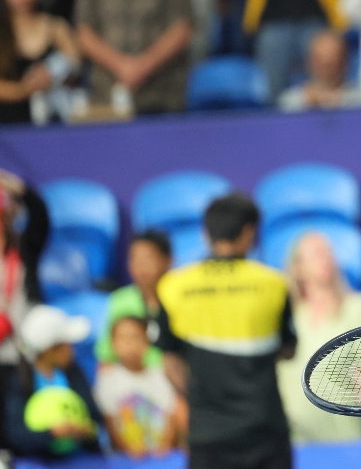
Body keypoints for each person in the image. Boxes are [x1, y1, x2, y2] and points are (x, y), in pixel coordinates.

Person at [156, 192, 296, 469]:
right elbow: (288, 350)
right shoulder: (274, 284)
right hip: (265, 432)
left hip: (207, 436)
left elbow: (170, 363)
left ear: (205, 234)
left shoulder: (174, 287)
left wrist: (200, 396)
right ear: (249, 232)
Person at [276, 232, 361, 445]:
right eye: (317, 254)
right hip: (292, 440)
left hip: (342, 439)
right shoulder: (288, 315)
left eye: (328, 253)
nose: (327, 259)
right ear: (298, 268)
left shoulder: (357, 309)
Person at [0, 167, 50, 449]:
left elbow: (40, 215)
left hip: (21, 349)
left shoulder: (24, 248)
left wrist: (10, 183)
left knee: (17, 422)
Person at [5, 305, 103, 458]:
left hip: (78, 460)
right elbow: (16, 435)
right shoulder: (21, 380)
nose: (72, 350)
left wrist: (84, 430)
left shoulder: (74, 372)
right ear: (48, 350)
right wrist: (52, 433)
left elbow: (95, 420)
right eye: (66, 345)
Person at [0, 0, 80, 125]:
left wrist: (52, 74)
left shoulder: (56, 27)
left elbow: (76, 64)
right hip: (7, 125)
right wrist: (23, 90)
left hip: (53, 120)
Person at [94, 317, 183, 457]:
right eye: (122, 338)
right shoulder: (107, 381)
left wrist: (165, 446)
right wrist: (129, 450)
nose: (129, 343)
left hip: (162, 458)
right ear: (112, 343)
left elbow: (171, 416)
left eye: (135, 336)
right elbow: (110, 424)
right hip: (128, 460)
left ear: (147, 341)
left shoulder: (161, 376)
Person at [94, 231, 171, 370]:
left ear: (168, 260)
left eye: (148, 258)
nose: (141, 266)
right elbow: (106, 357)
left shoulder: (179, 299)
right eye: (134, 258)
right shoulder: (119, 300)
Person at [277, 31, 361, 112]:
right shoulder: (290, 101)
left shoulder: (359, 101)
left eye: (333, 60)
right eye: (320, 59)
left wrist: (335, 101)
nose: (326, 63)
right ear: (310, 61)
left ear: (345, 61)